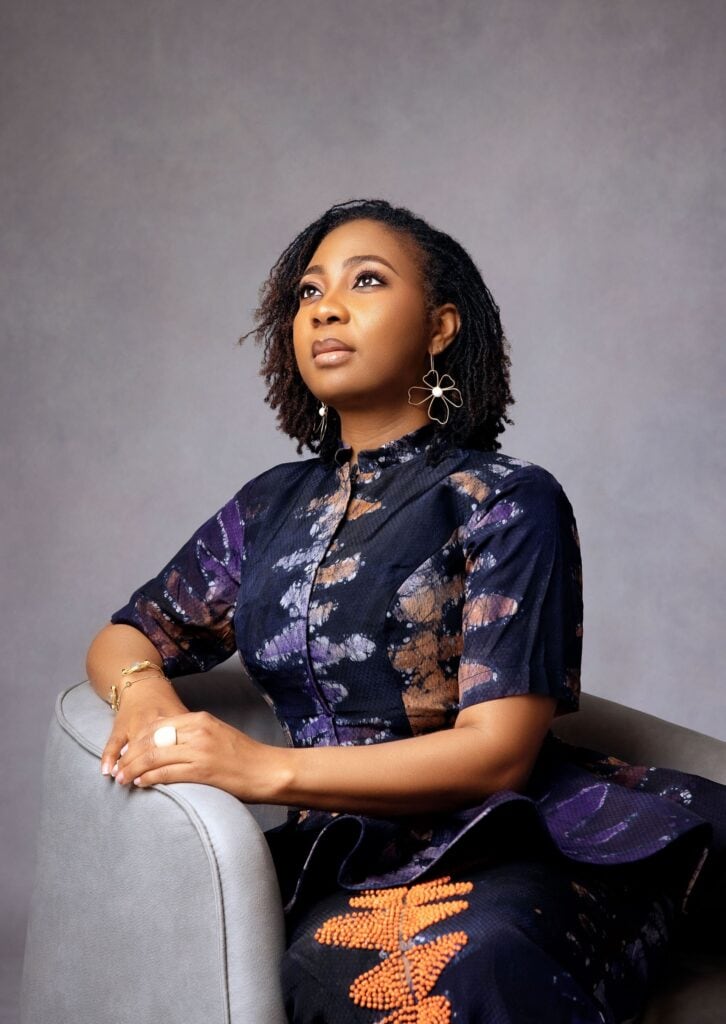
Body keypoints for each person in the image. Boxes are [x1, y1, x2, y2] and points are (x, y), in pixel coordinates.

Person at [86, 198, 725, 1024]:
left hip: (520, 840)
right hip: (338, 864)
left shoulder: (504, 498)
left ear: (439, 328)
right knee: (356, 977)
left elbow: (496, 758)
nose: (326, 306)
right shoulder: (269, 507)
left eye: (367, 281)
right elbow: (130, 631)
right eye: (310, 292)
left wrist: (263, 769)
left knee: (477, 964)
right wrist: (143, 692)